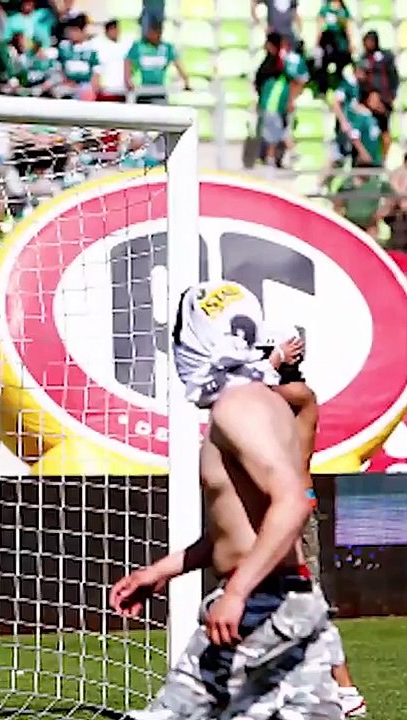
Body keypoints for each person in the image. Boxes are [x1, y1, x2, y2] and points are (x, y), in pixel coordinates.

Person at [110, 281, 338, 720]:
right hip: (285, 602)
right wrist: (159, 571)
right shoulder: (254, 402)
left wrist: (235, 593)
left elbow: (292, 501)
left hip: (260, 608)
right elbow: (234, 530)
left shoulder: (239, 407)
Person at [254, 329, 370, 719]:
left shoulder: (296, 396)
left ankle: (345, 688)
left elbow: (246, 391)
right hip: (273, 509)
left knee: (306, 602)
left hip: (292, 511)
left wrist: (272, 360)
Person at [255, 32, 309, 169]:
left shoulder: (280, 63)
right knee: (275, 132)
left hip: (274, 102)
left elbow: (298, 80)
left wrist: (290, 99)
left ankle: (276, 158)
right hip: (270, 102)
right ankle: (277, 157)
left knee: (276, 133)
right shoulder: (272, 63)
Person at [124, 22, 189, 104]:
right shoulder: (138, 46)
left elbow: (178, 63)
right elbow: (128, 61)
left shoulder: (167, 47)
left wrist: (186, 80)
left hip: (160, 90)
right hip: (142, 90)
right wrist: (128, 80)